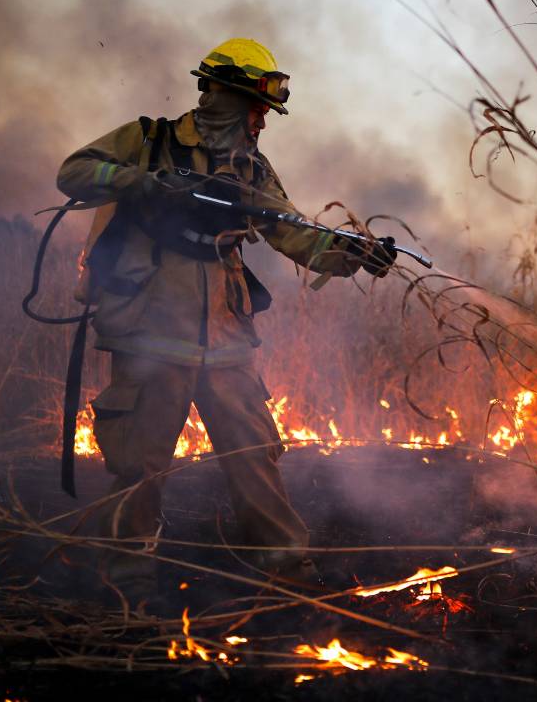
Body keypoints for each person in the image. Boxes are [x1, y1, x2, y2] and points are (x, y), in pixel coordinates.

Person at [56, 38, 395, 603]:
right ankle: (127, 582)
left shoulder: (251, 168)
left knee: (253, 454)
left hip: (226, 336)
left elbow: (292, 231)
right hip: (150, 332)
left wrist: (356, 255)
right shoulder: (149, 140)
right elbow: (73, 172)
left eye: (264, 112)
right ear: (218, 96)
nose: (261, 121)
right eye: (253, 107)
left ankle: (288, 575)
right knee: (140, 463)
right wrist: (138, 181)